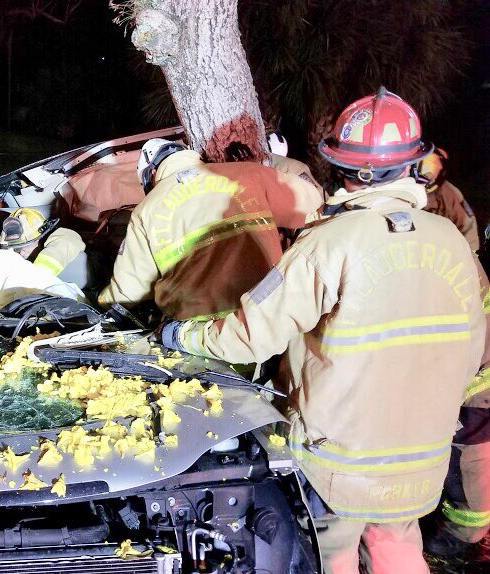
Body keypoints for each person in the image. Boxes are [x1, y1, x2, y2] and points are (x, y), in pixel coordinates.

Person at [159, 88, 485, 574]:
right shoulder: (454, 245)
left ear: (344, 169)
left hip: (338, 461)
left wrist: (183, 338)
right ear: (411, 166)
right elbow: (473, 350)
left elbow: (252, 334)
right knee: (397, 545)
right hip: (422, 456)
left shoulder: (328, 244)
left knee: (329, 553)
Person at [97, 138, 322, 320]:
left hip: (200, 331)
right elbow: (313, 201)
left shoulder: (146, 210)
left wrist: (101, 302)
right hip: (264, 316)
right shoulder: (248, 174)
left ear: (152, 174)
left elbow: (130, 290)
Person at [424, 267, 490, 558]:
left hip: (475, 383)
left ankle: (464, 531)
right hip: (471, 371)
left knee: (467, 459)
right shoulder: (446, 246)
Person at [418, 148, 480, 252]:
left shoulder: (449, 194)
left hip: (438, 251)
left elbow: (468, 229)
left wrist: (472, 258)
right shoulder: (398, 185)